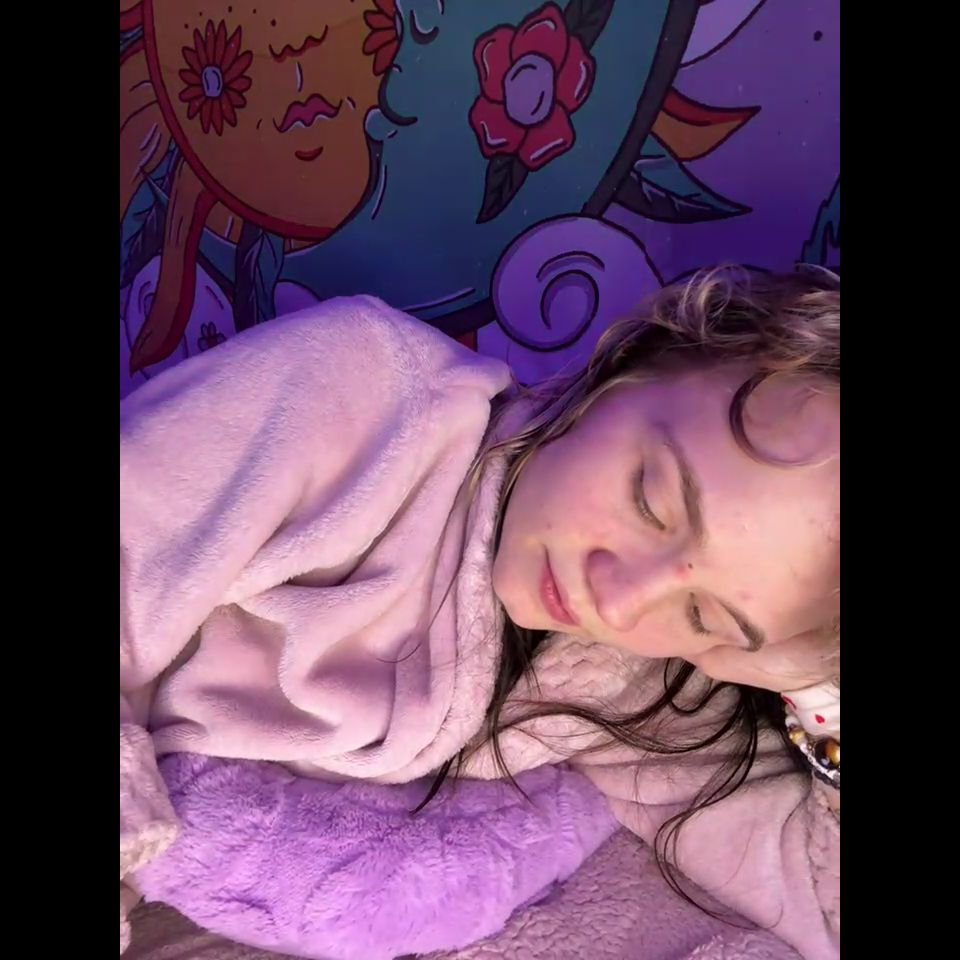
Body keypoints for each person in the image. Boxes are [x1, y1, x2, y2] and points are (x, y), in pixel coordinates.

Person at [120, 265, 839, 958]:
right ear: (643, 358)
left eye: (702, 615)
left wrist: (816, 684)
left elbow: (818, 902)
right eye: (650, 500)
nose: (617, 600)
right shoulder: (354, 389)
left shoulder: (635, 685)